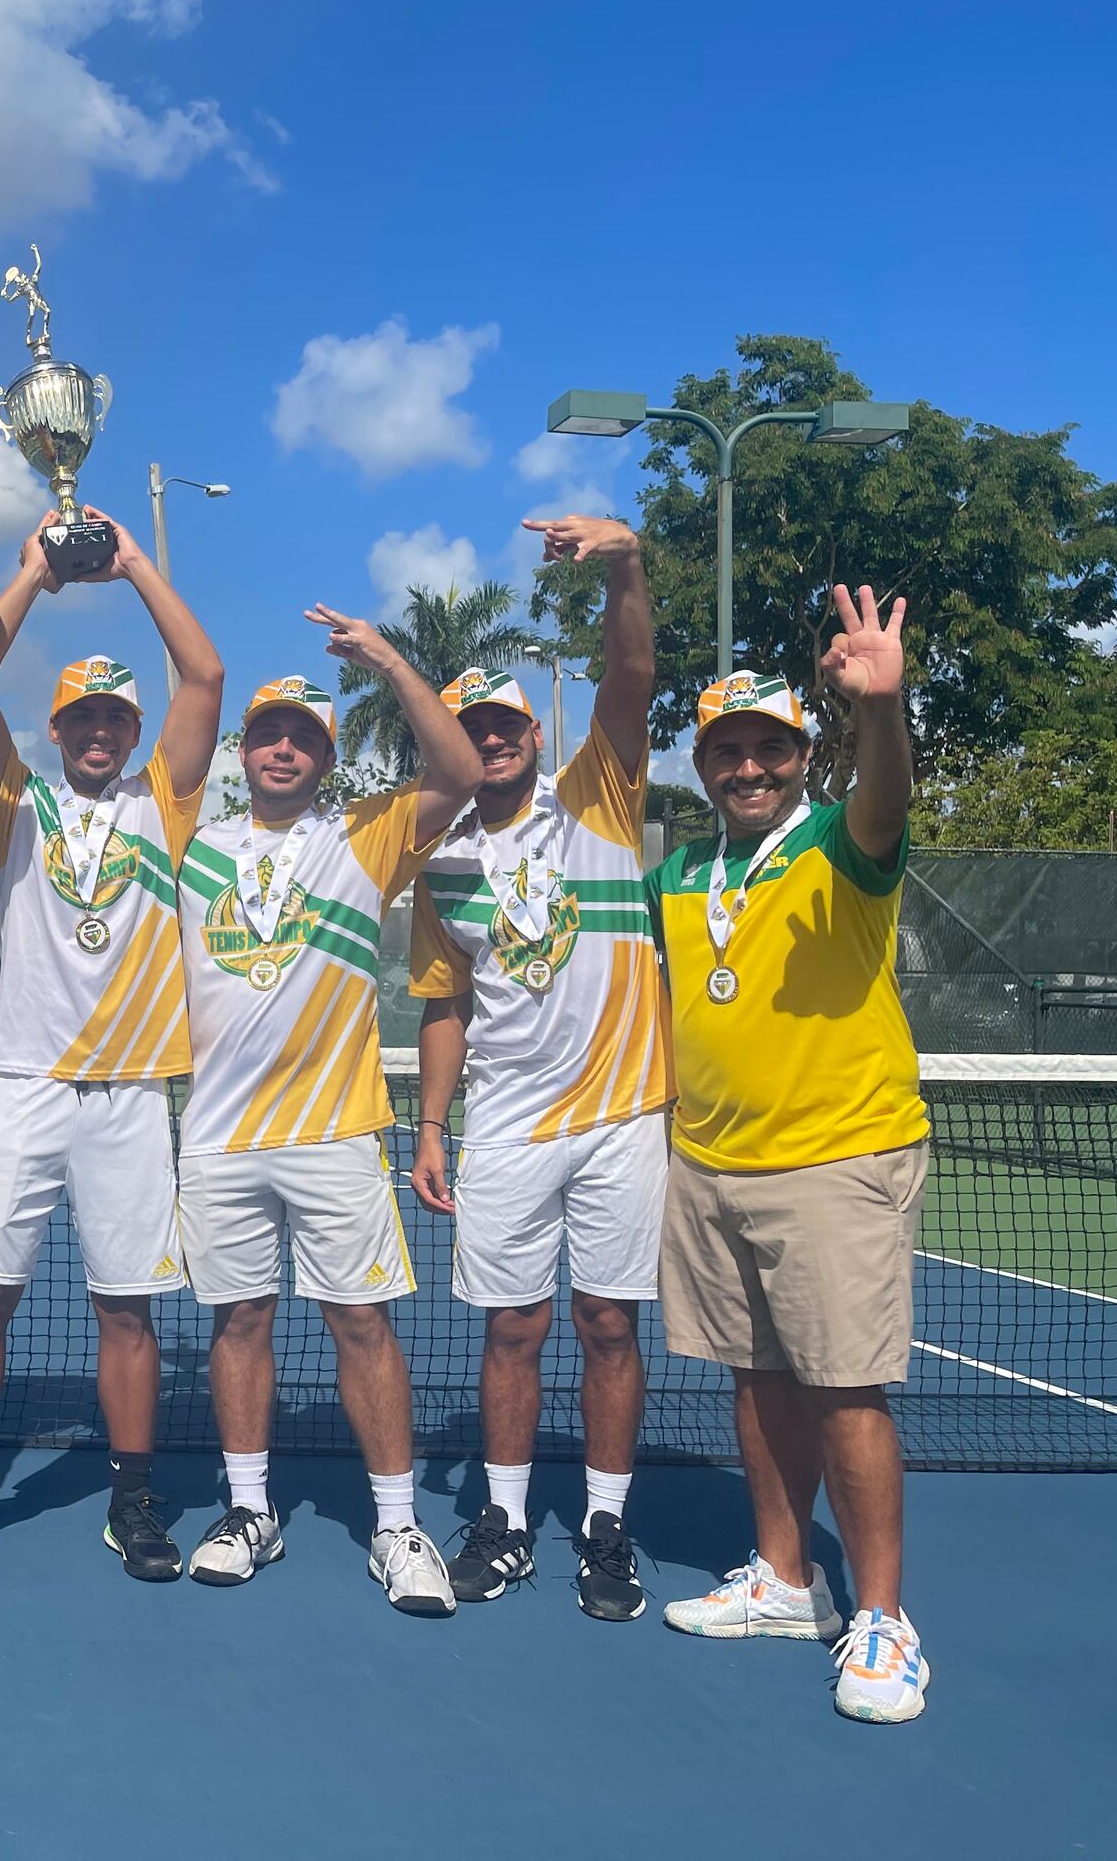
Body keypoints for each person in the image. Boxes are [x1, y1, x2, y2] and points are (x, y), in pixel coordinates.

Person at [647, 589, 933, 1724]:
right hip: (712, 1163)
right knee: (756, 1380)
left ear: (802, 755)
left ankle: (883, 1618)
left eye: (769, 747)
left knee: (844, 1392)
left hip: (835, 1158)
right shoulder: (680, 875)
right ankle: (783, 1578)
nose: (748, 768)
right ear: (705, 764)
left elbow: (887, 793)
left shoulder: (842, 840)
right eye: (729, 751)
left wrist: (883, 706)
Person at [0, 510, 223, 1581]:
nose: (100, 730)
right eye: (82, 718)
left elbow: (205, 676)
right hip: (27, 1087)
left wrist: (135, 560)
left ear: (133, 731)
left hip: (133, 1096)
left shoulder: (165, 807)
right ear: (55, 730)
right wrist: (36, 577)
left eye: (114, 718)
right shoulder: (15, 810)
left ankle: (133, 1504)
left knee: (126, 1311)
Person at [173, 613, 482, 1612]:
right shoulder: (194, 845)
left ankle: (396, 1526)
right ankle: (249, 1510)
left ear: (325, 757)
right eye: (268, 732)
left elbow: (462, 771)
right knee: (239, 1323)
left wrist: (389, 661)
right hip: (218, 1136)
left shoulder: (365, 835)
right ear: (245, 746)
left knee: (361, 1324)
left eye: (303, 737)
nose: (282, 748)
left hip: (336, 1130)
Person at [407, 515, 668, 1621]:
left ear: (529, 730)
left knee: (609, 1325)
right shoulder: (440, 863)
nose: (493, 740)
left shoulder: (596, 795)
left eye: (505, 722)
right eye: (473, 729)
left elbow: (632, 669)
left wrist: (625, 564)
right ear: (457, 746)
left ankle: (606, 1529)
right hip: (506, 1125)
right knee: (511, 1328)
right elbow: (445, 1006)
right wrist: (426, 1128)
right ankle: (505, 1523)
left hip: (622, 1121)